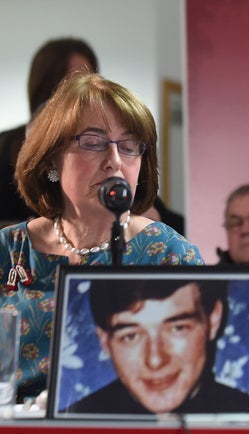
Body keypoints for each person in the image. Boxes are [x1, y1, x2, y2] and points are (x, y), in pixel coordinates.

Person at [0, 71, 204, 403]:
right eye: (92, 142)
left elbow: (196, 381)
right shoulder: (9, 251)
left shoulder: (167, 254)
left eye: (129, 147)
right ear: (52, 157)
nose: (114, 162)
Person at [65, 279, 249, 414]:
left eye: (178, 328)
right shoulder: (75, 423)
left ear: (213, 320)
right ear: (104, 341)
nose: (155, 360)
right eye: (131, 336)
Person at [0, 37, 99, 227]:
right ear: (44, 85)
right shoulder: (5, 146)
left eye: (88, 81)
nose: (80, 92)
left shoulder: (105, 146)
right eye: (69, 82)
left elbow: (164, 217)